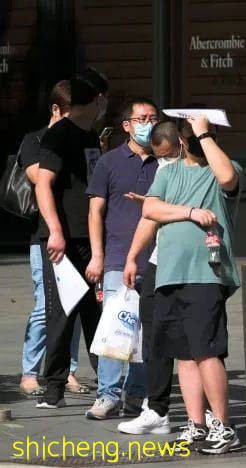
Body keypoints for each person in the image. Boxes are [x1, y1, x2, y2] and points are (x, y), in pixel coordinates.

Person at [142, 114, 242, 454]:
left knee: (206, 351)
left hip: (205, 274)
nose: (199, 141)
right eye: (194, 136)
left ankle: (224, 426)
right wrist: (189, 212)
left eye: (207, 136)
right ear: (182, 140)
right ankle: (197, 424)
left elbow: (228, 178)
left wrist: (205, 134)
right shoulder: (168, 173)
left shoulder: (221, 168)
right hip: (171, 272)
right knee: (183, 354)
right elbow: (151, 208)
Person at [34, 68, 109, 409]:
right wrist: (56, 232)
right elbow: (43, 184)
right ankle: (54, 388)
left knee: (96, 313)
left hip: (89, 237)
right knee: (62, 315)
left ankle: (107, 385)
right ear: (96, 100)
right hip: (61, 242)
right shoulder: (59, 135)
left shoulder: (91, 135)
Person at [83, 98, 159, 419]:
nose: (148, 123)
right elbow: (95, 210)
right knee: (116, 326)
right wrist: (97, 256)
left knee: (147, 333)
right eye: (142, 118)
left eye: (153, 118)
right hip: (116, 258)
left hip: (156, 260)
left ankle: (137, 395)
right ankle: (107, 394)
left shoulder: (166, 161)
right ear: (127, 125)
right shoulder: (110, 162)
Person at [18, 80, 86, 397]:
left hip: (78, 234)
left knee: (71, 305)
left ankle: (67, 370)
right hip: (44, 238)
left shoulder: (81, 140)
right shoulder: (35, 141)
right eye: (71, 112)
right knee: (47, 306)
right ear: (56, 109)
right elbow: (38, 177)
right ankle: (30, 371)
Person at [117, 121, 183, 435]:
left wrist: (161, 208)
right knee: (154, 336)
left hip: (194, 266)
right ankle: (156, 408)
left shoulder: (202, 171)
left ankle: (206, 415)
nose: (165, 162)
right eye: (160, 157)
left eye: (169, 155)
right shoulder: (163, 171)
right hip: (160, 261)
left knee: (195, 343)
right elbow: (151, 216)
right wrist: (132, 257)